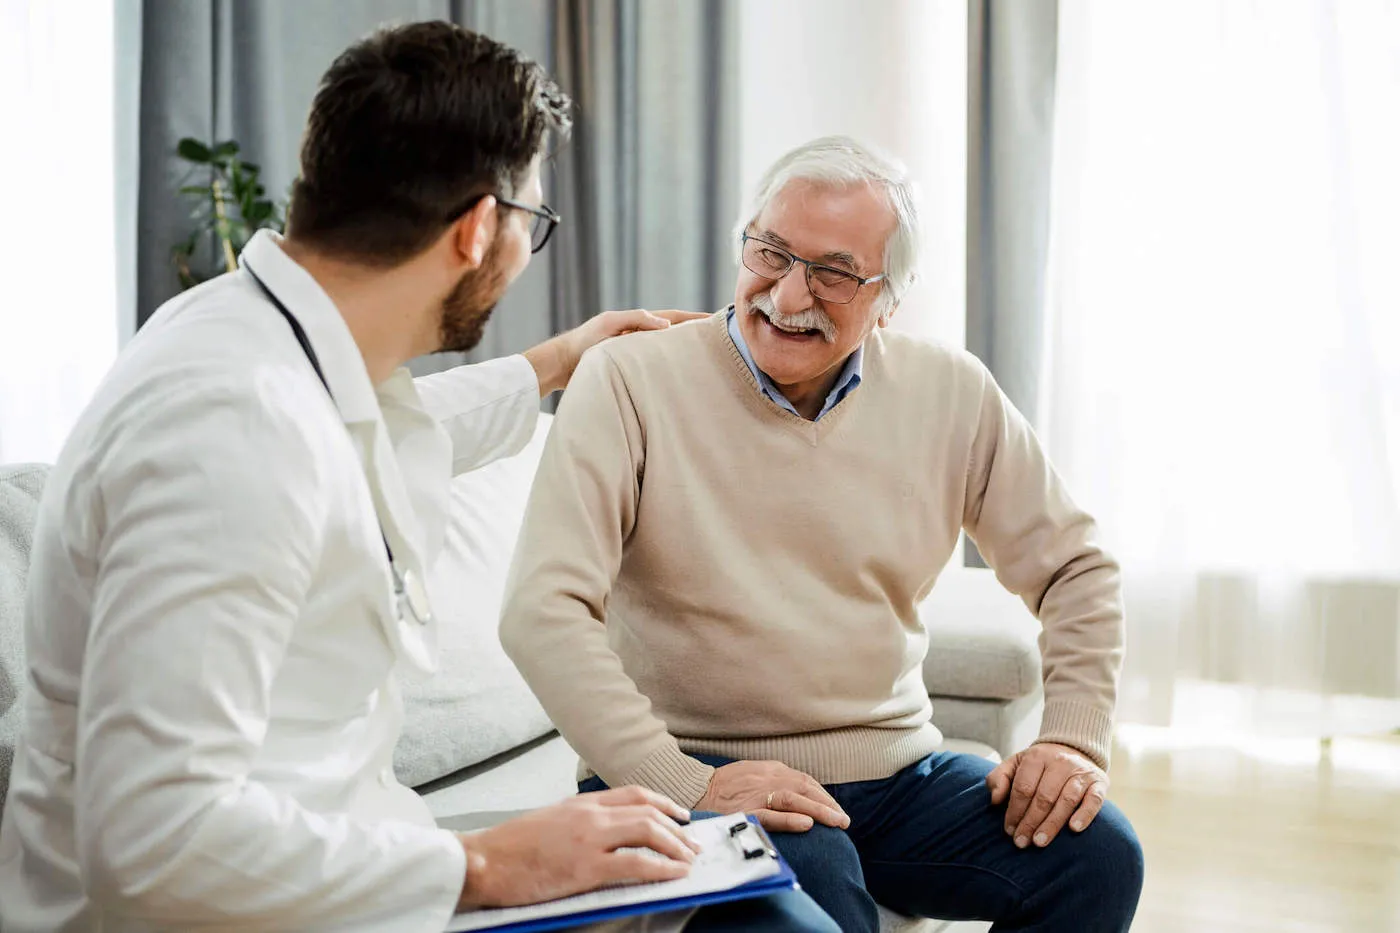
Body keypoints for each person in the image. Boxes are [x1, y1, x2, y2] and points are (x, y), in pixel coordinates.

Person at [0, 23, 836, 933]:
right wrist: (485, 862)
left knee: (746, 884)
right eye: (535, 225)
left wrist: (556, 361)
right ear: (481, 228)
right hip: (241, 912)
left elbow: (369, 434)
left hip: (354, 860)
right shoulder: (231, 429)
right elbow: (150, 839)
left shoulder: (253, 341)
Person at [501, 135, 1146, 933]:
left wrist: (1073, 740)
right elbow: (542, 609)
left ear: (890, 299)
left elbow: (1076, 568)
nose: (789, 293)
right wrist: (686, 781)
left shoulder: (950, 392)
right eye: (770, 252)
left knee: (1099, 852)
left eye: (835, 273)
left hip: (894, 777)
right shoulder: (628, 380)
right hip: (686, 775)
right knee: (816, 900)